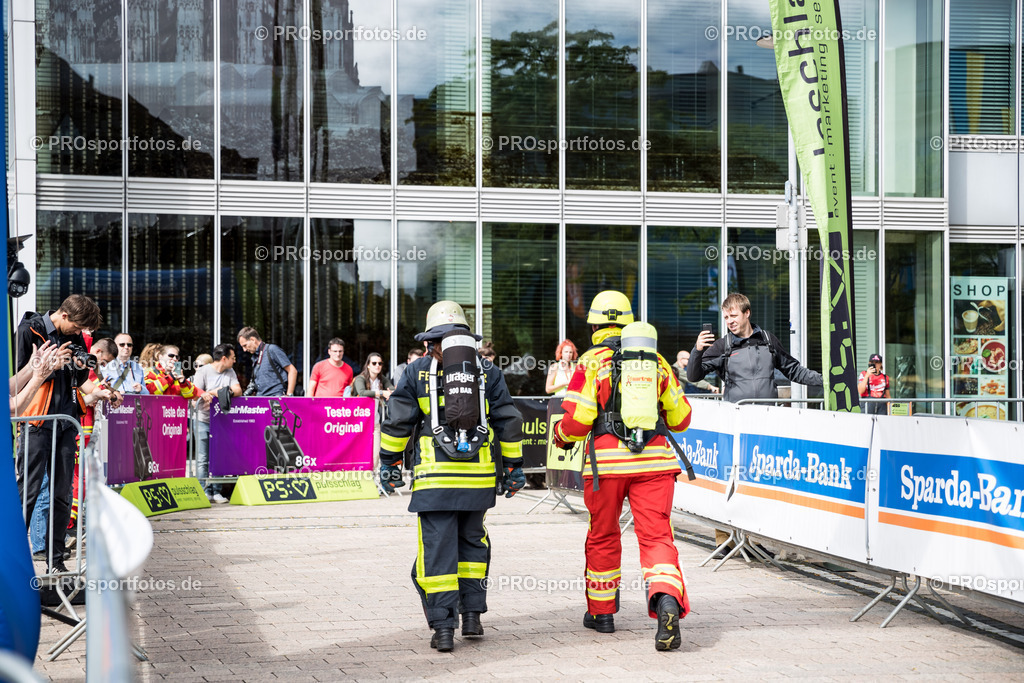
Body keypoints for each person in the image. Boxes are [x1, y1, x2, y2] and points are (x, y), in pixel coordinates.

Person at [378, 300, 525, 653]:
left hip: (436, 481)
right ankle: (472, 616)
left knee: (437, 551)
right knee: (472, 544)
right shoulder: (488, 371)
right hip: (478, 479)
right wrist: (513, 468)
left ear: (430, 341)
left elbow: (397, 422)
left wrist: (389, 463)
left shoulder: (416, 372)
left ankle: (444, 627)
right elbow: (508, 420)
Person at [552, 290, 693, 652]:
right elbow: (681, 419)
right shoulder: (656, 360)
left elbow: (578, 420)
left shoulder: (591, 361)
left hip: (607, 467)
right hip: (655, 464)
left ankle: (602, 614)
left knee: (603, 535)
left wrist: (561, 436)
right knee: (657, 537)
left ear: (594, 326)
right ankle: (666, 600)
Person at [689, 292, 823, 558]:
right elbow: (694, 375)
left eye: (733, 316)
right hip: (735, 427)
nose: (729, 321)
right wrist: (697, 350)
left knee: (758, 484)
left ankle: (752, 539)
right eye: (726, 317)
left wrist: (827, 381)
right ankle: (725, 540)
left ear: (747, 313)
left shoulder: (768, 340)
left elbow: (794, 370)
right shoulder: (723, 345)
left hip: (765, 426)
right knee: (730, 481)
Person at [15, 294, 103, 573]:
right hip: (37, 421)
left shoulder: (74, 335)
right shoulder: (30, 329)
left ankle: (56, 562)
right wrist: (49, 366)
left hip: (66, 422)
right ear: (64, 315)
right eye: (77, 327)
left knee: (62, 495)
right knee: (28, 492)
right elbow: (16, 378)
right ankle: (14, 562)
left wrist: (79, 368)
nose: (78, 333)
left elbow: (79, 380)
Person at [193, 344, 243, 503]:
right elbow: (194, 393)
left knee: (218, 456)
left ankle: (216, 491)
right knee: (202, 458)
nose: (234, 361)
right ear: (224, 358)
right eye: (233, 358)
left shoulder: (230, 372)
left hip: (221, 421)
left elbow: (238, 390)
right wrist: (209, 393)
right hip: (203, 419)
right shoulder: (203, 371)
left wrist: (217, 392)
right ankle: (203, 491)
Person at [353, 352, 395, 469]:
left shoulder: (381, 379)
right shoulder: (360, 378)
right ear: (368, 365)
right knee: (360, 451)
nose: (377, 366)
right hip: (359, 422)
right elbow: (362, 392)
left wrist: (391, 392)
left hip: (375, 421)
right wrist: (381, 392)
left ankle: (372, 475)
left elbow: (391, 389)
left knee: (376, 453)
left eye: (380, 363)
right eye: (374, 363)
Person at [237, 327, 298, 397]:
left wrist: (288, 395)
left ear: (253, 339)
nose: (244, 350)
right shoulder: (255, 357)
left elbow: (292, 371)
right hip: (261, 398)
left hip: (276, 398)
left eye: (245, 345)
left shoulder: (272, 349)